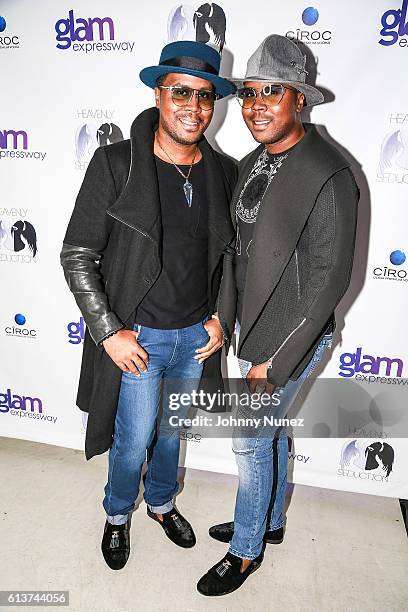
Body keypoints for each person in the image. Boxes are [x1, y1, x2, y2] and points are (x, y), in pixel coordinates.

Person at [60, 40, 236, 571]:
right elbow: (77, 253)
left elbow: (229, 255)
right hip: (139, 338)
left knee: (170, 434)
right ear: (158, 94)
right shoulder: (116, 164)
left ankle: (160, 503)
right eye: (180, 92)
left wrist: (221, 317)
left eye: (204, 96)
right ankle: (118, 515)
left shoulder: (221, 171)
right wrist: (108, 330)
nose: (194, 106)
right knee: (132, 439)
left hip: (194, 340)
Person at [197, 34, 359, 596]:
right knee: (267, 436)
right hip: (251, 330)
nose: (255, 105)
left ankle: (246, 551)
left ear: (300, 100)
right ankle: (270, 520)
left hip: (292, 337)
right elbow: (234, 254)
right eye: (247, 94)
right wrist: (224, 318)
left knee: (248, 439)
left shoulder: (329, 173)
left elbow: (327, 282)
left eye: (273, 92)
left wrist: (274, 360)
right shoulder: (249, 163)